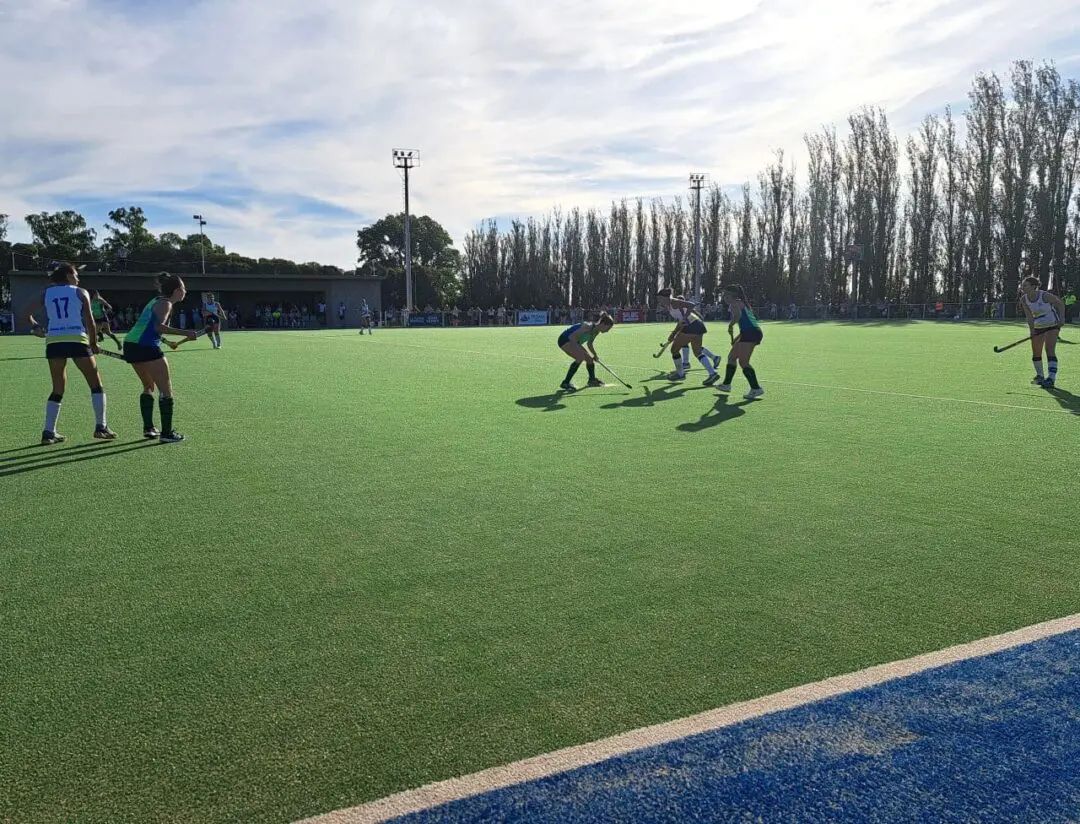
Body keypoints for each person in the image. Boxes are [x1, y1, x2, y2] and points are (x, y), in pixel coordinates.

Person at [23, 262, 116, 444]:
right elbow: (90, 321)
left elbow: (25, 313)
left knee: (58, 388)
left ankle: (49, 432)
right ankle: (101, 427)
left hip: (54, 342)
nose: (78, 277)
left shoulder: (46, 292)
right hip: (76, 340)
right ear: (67, 275)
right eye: (75, 274)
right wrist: (93, 343)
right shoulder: (81, 292)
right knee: (96, 384)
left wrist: (35, 326)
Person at [123, 272, 197, 442]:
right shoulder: (166, 304)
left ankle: (149, 429)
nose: (185, 292)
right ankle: (167, 433)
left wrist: (166, 341)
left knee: (148, 386)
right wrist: (186, 333)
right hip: (147, 347)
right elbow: (158, 327)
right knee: (166, 390)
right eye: (184, 288)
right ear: (178, 290)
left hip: (131, 345)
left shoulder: (155, 301)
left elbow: (146, 325)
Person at [656, 288, 720, 385]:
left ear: (665, 297)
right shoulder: (669, 305)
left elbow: (691, 305)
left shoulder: (674, 302)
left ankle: (680, 373)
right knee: (698, 352)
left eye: (660, 299)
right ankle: (713, 373)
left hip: (691, 326)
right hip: (697, 325)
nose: (659, 301)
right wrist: (674, 333)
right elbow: (680, 322)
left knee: (674, 350)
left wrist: (684, 318)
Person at [716, 283, 765, 399]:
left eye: (725, 295)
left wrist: (730, 325)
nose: (724, 298)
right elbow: (745, 324)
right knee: (732, 357)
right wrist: (737, 338)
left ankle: (756, 388)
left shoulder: (735, 303)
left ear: (731, 295)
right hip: (749, 332)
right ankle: (726, 385)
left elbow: (737, 316)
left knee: (743, 362)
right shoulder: (742, 303)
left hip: (751, 333)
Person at [1019, 275, 1066, 387]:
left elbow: (1059, 303)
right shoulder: (1024, 299)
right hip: (1038, 326)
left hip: (1052, 324)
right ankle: (1040, 376)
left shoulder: (1044, 295)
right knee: (1036, 352)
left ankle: (1051, 378)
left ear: (1033, 286)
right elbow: (1029, 316)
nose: (1022, 287)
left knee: (1049, 349)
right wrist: (1032, 330)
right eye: (1023, 285)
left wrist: (1062, 317)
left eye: (1025, 285)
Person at [557, 312, 615, 391]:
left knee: (590, 360)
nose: (607, 331)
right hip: (565, 339)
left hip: (575, 341)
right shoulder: (587, 327)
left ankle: (591, 380)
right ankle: (565, 382)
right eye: (608, 328)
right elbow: (572, 337)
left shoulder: (596, 332)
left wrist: (595, 355)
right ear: (603, 324)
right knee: (580, 357)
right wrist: (579, 351)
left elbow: (589, 344)